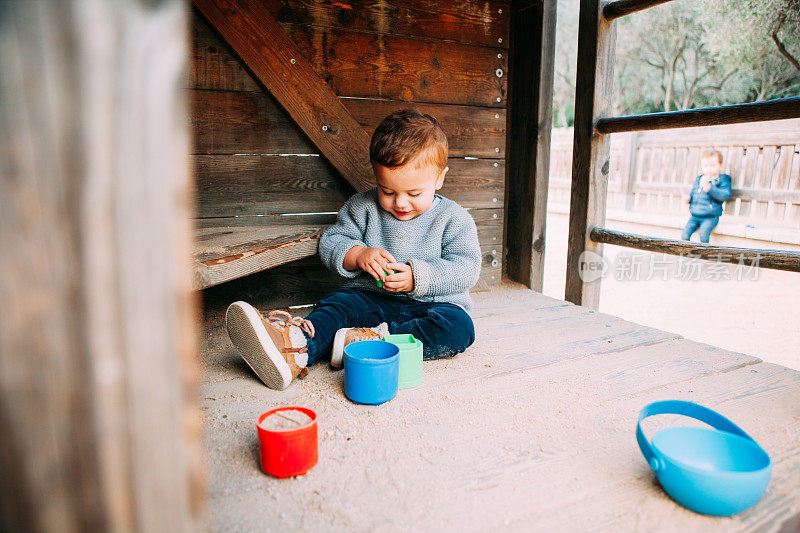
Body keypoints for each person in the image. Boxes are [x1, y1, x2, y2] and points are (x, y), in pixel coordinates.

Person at [224, 110, 482, 390]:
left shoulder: (454, 218)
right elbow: (332, 241)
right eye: (388, 190)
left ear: (440, 178)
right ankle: (294, 348)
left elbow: (466, 267)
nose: (401, 203)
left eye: (414, 193)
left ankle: (369, 342)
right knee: (335, 307)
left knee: (459, 328)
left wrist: (416, 277)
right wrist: (357, 255)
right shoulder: (363, 207)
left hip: (432, 306)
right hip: (369, 299)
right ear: (376, 176)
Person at [681, 149, 732, 243]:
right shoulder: (699, 179)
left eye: (712, 165)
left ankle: (704, 255)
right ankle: (685, 254)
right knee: (685, 234)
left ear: (720, 166)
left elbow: (725, 195)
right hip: (695, 215)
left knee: (703, 234)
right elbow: (694, 193)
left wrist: (710, 189)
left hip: (710, 217)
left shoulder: (722, 180)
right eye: (705, 165)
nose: (708, 168)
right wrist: (689, 199)